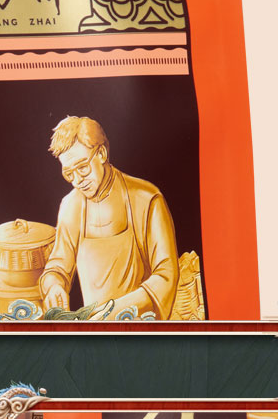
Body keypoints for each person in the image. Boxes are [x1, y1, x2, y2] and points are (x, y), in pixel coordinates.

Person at [39, 115, 179, 318]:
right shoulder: (71, 205)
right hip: (94, 327)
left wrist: (114, 310)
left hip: (142, 323)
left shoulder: (146, 198)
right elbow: (58, 265)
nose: (77, 181)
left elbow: (166, 274)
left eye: (82, 168)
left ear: (101, 153)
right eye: (69, 174)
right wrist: (54, 285)